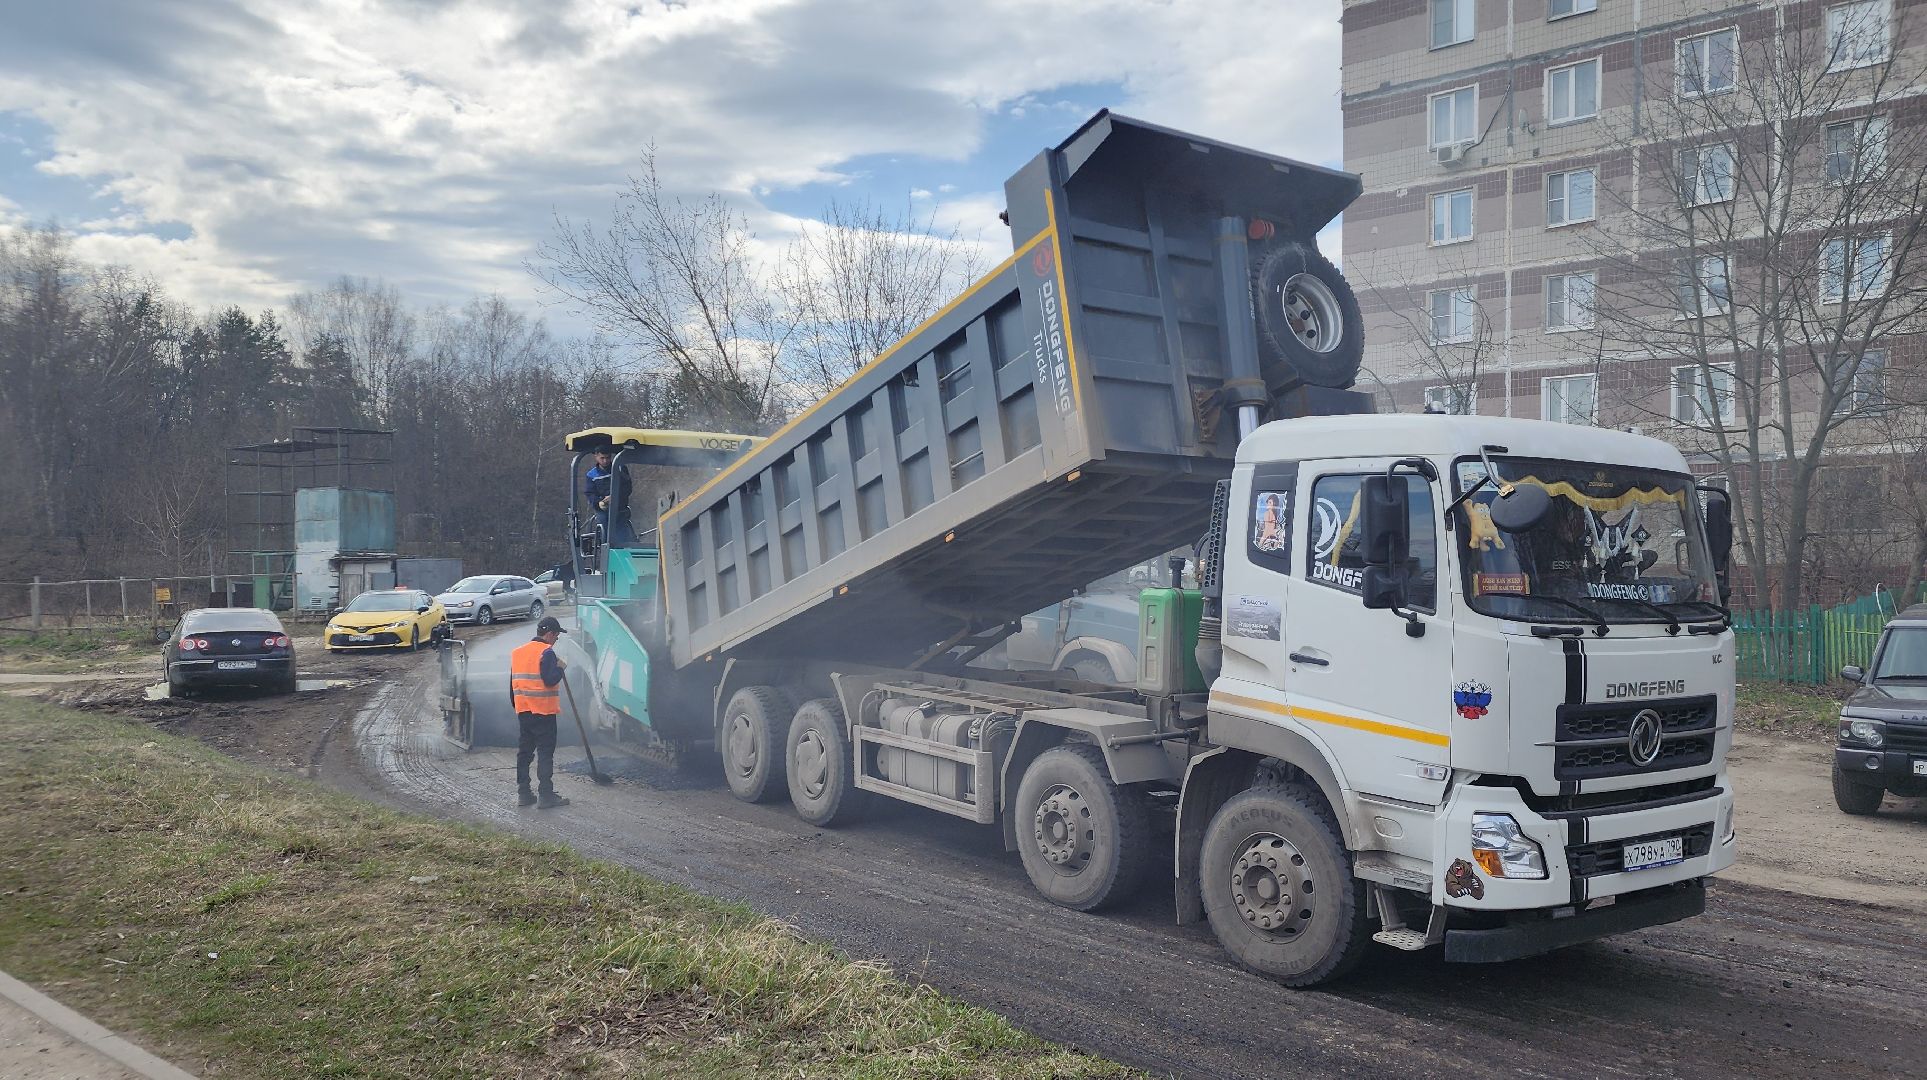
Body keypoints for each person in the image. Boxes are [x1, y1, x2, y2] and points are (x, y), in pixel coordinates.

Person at [509, 616, 572, 809]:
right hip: (544, 712)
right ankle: (546, 795)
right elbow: (550, 679)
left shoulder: (518, 652)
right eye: (557, 636)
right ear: (550, 634)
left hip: (524, 711)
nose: (556, 640)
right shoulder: (547, 652)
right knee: (545, 752)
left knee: (525, 752)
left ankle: (524, 793)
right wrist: (561, 669)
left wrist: (519, 706)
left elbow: (512, 686)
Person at [583, 448, 635, 548]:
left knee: (622, 528)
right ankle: (605, 546)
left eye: (607, 458)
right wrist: (599, 502)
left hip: (620, 507)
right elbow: (590, 493)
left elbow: (627, 488)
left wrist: (615, 497)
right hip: (603, 509)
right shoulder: (591, 475)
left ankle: (623, 547)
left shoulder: (620, 469)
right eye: (602, 458)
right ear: (596, 457)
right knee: (603, 522)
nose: (605, 461)